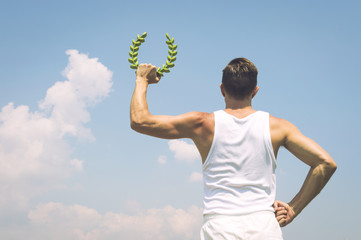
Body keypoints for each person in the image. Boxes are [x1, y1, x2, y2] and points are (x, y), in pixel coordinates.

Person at [130, 58, 337, 240]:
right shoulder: (278, 127)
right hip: (264, 228)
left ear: (222, 89)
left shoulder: (202, 123)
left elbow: (140, 121)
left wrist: (142, 80)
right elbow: (325, 163)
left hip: (220, 227)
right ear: (255, 91)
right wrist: (294, 207)